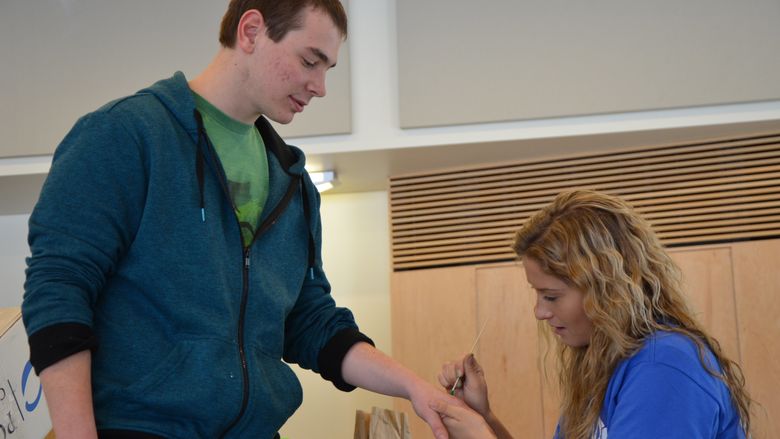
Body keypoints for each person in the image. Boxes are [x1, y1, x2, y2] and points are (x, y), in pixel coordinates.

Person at [22, 1, 460, 438]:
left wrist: (414, 388)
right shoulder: (125, 136)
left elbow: (310, 320)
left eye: (328, 69)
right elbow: (59, 290)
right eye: (310, 61)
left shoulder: (293, 182)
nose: (321, 86)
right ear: (251, 31)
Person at [430, 189, 752, 438]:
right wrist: (484, 419)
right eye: (537, 294)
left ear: (607, 290)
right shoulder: (604, 367)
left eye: (551, 296)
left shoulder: (665, 366)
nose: (540, 311)